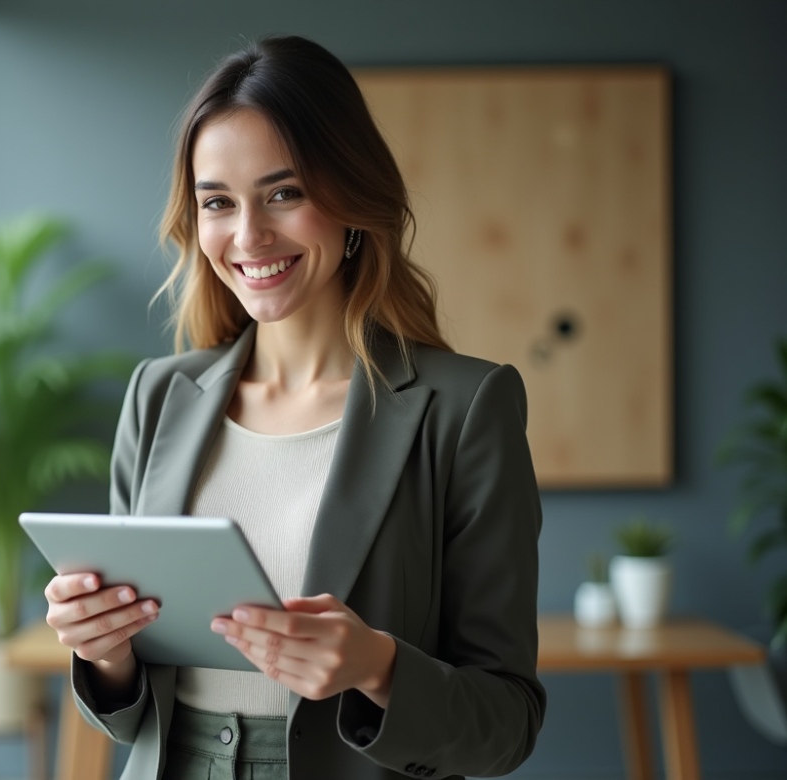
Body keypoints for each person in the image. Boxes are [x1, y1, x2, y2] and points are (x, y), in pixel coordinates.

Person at [43, 35, 545, 780]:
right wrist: (103, 652)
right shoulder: (159, 396)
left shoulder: (465, 408)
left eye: (285, 193)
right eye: (218, 202)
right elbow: (132, 716)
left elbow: (507, 725)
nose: (249, 236)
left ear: (352, 199)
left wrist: (378, 667)